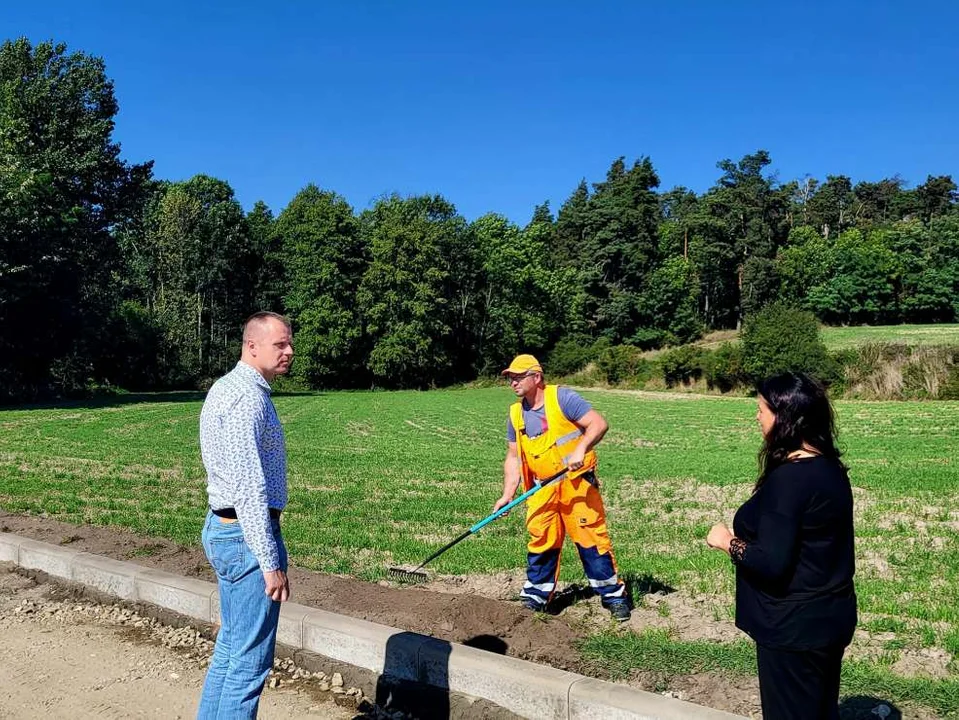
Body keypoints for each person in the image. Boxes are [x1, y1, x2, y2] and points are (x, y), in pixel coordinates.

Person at [706, 372, 857, 720]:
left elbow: (771, 562)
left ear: (785, 417)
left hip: (793, 628)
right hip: (829, 617)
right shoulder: (830, 468)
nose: (756, 416)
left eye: (761, 409)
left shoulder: (790, 480)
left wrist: (726, 541)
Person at [196, 311, 294, 719]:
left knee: (231, 650)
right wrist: (269, 561)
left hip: (226, 528)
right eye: (280, 345)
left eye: (290, 344)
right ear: (251, 346)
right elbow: (249, 488)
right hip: (246, 537)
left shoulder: (229, 387)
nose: (289, 351)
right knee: (249, 665)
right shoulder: (246, 398)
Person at [494, 354, 630, 622]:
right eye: (510, 377)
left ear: (537, 377)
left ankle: (613, 595)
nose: (513, 382)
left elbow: (598, 423)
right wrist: (507, 494)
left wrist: (581, 448)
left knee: (591, 539)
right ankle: (536, 595)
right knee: (541, 538)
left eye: (519, 376)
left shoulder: (562, 398)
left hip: (576, 483)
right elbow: (512, 457)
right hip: (541, 487)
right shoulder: (515, 414)